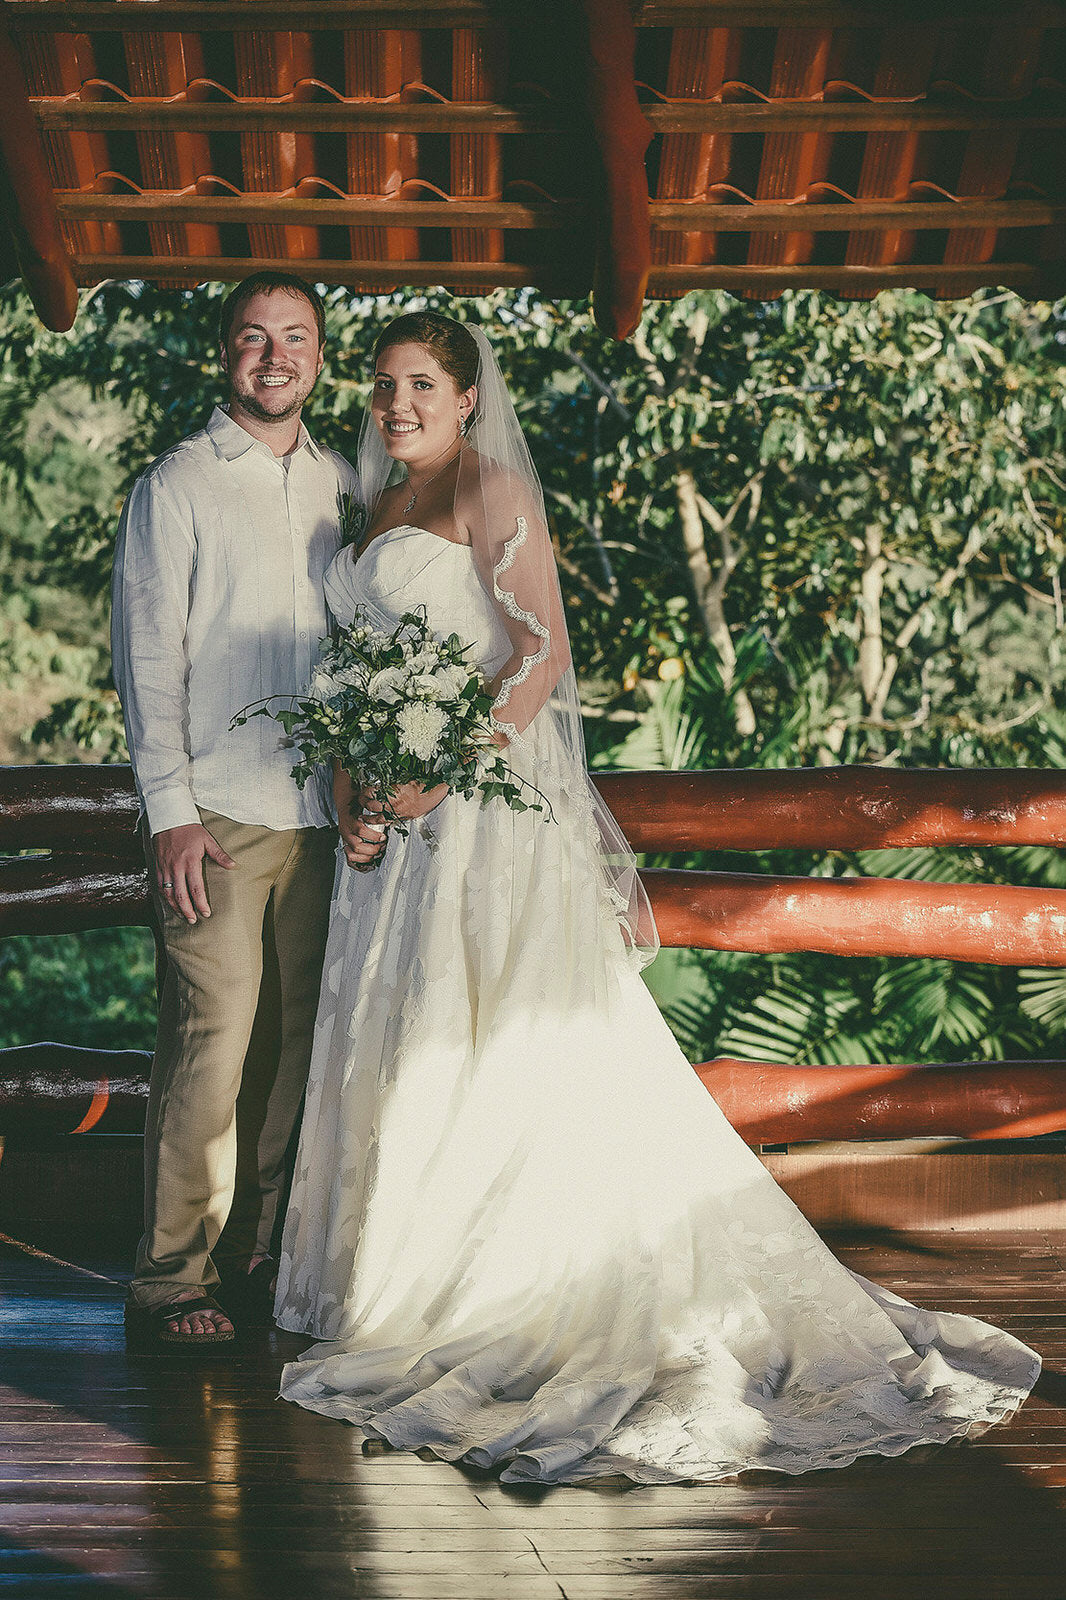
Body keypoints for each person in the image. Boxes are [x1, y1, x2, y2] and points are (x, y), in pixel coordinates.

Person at [273, 311, 1040, 1484]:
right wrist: (353, 782)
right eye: (382, 386)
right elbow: (348, 675)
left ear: (469, 396)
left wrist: (442, 769)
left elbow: (537, 654)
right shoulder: (372, 502)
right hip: (393, 821)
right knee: (401, 1026)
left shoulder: (488, 488)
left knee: (486, 1033)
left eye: (419, 384)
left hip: (481, 813)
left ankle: (492, 1278)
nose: (395, 406)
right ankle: (397, 1269)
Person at [112, 271, 359, 1352]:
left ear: (317, 355)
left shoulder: (345, 482)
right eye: (253, 338)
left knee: (290, 1054)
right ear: (225, 354)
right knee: (211, 1050)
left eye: (294, 337)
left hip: (323, 820)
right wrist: (170, 810)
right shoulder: (176, 485)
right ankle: (170, 1277)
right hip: (214, 813)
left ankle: (254, 1260)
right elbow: (146, 656)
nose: (274, 356)